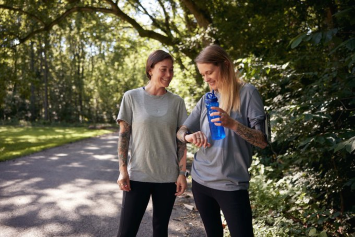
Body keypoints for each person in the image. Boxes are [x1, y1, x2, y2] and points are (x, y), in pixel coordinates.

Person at [177, 45, 268, 237]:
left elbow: (262, 141)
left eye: (209, 72)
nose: (206, 78)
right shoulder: (207, 99)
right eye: (203, 75)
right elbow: (181, 131)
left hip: (231, 184)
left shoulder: (248, 93)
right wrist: (188, 136)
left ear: (225, 65)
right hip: (201, 181)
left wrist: (233, 124)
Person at [116, 50, 188, 237]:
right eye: (163, 69)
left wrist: (182, 173)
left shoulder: (177, 102)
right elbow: (124, 136)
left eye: (171, 70)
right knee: (126, 231)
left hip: (167, 177)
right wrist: (123, 171)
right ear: (150, 70)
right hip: (138, 175)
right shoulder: (131, 97)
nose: (168, 75)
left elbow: (181, 142)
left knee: (160, 231)